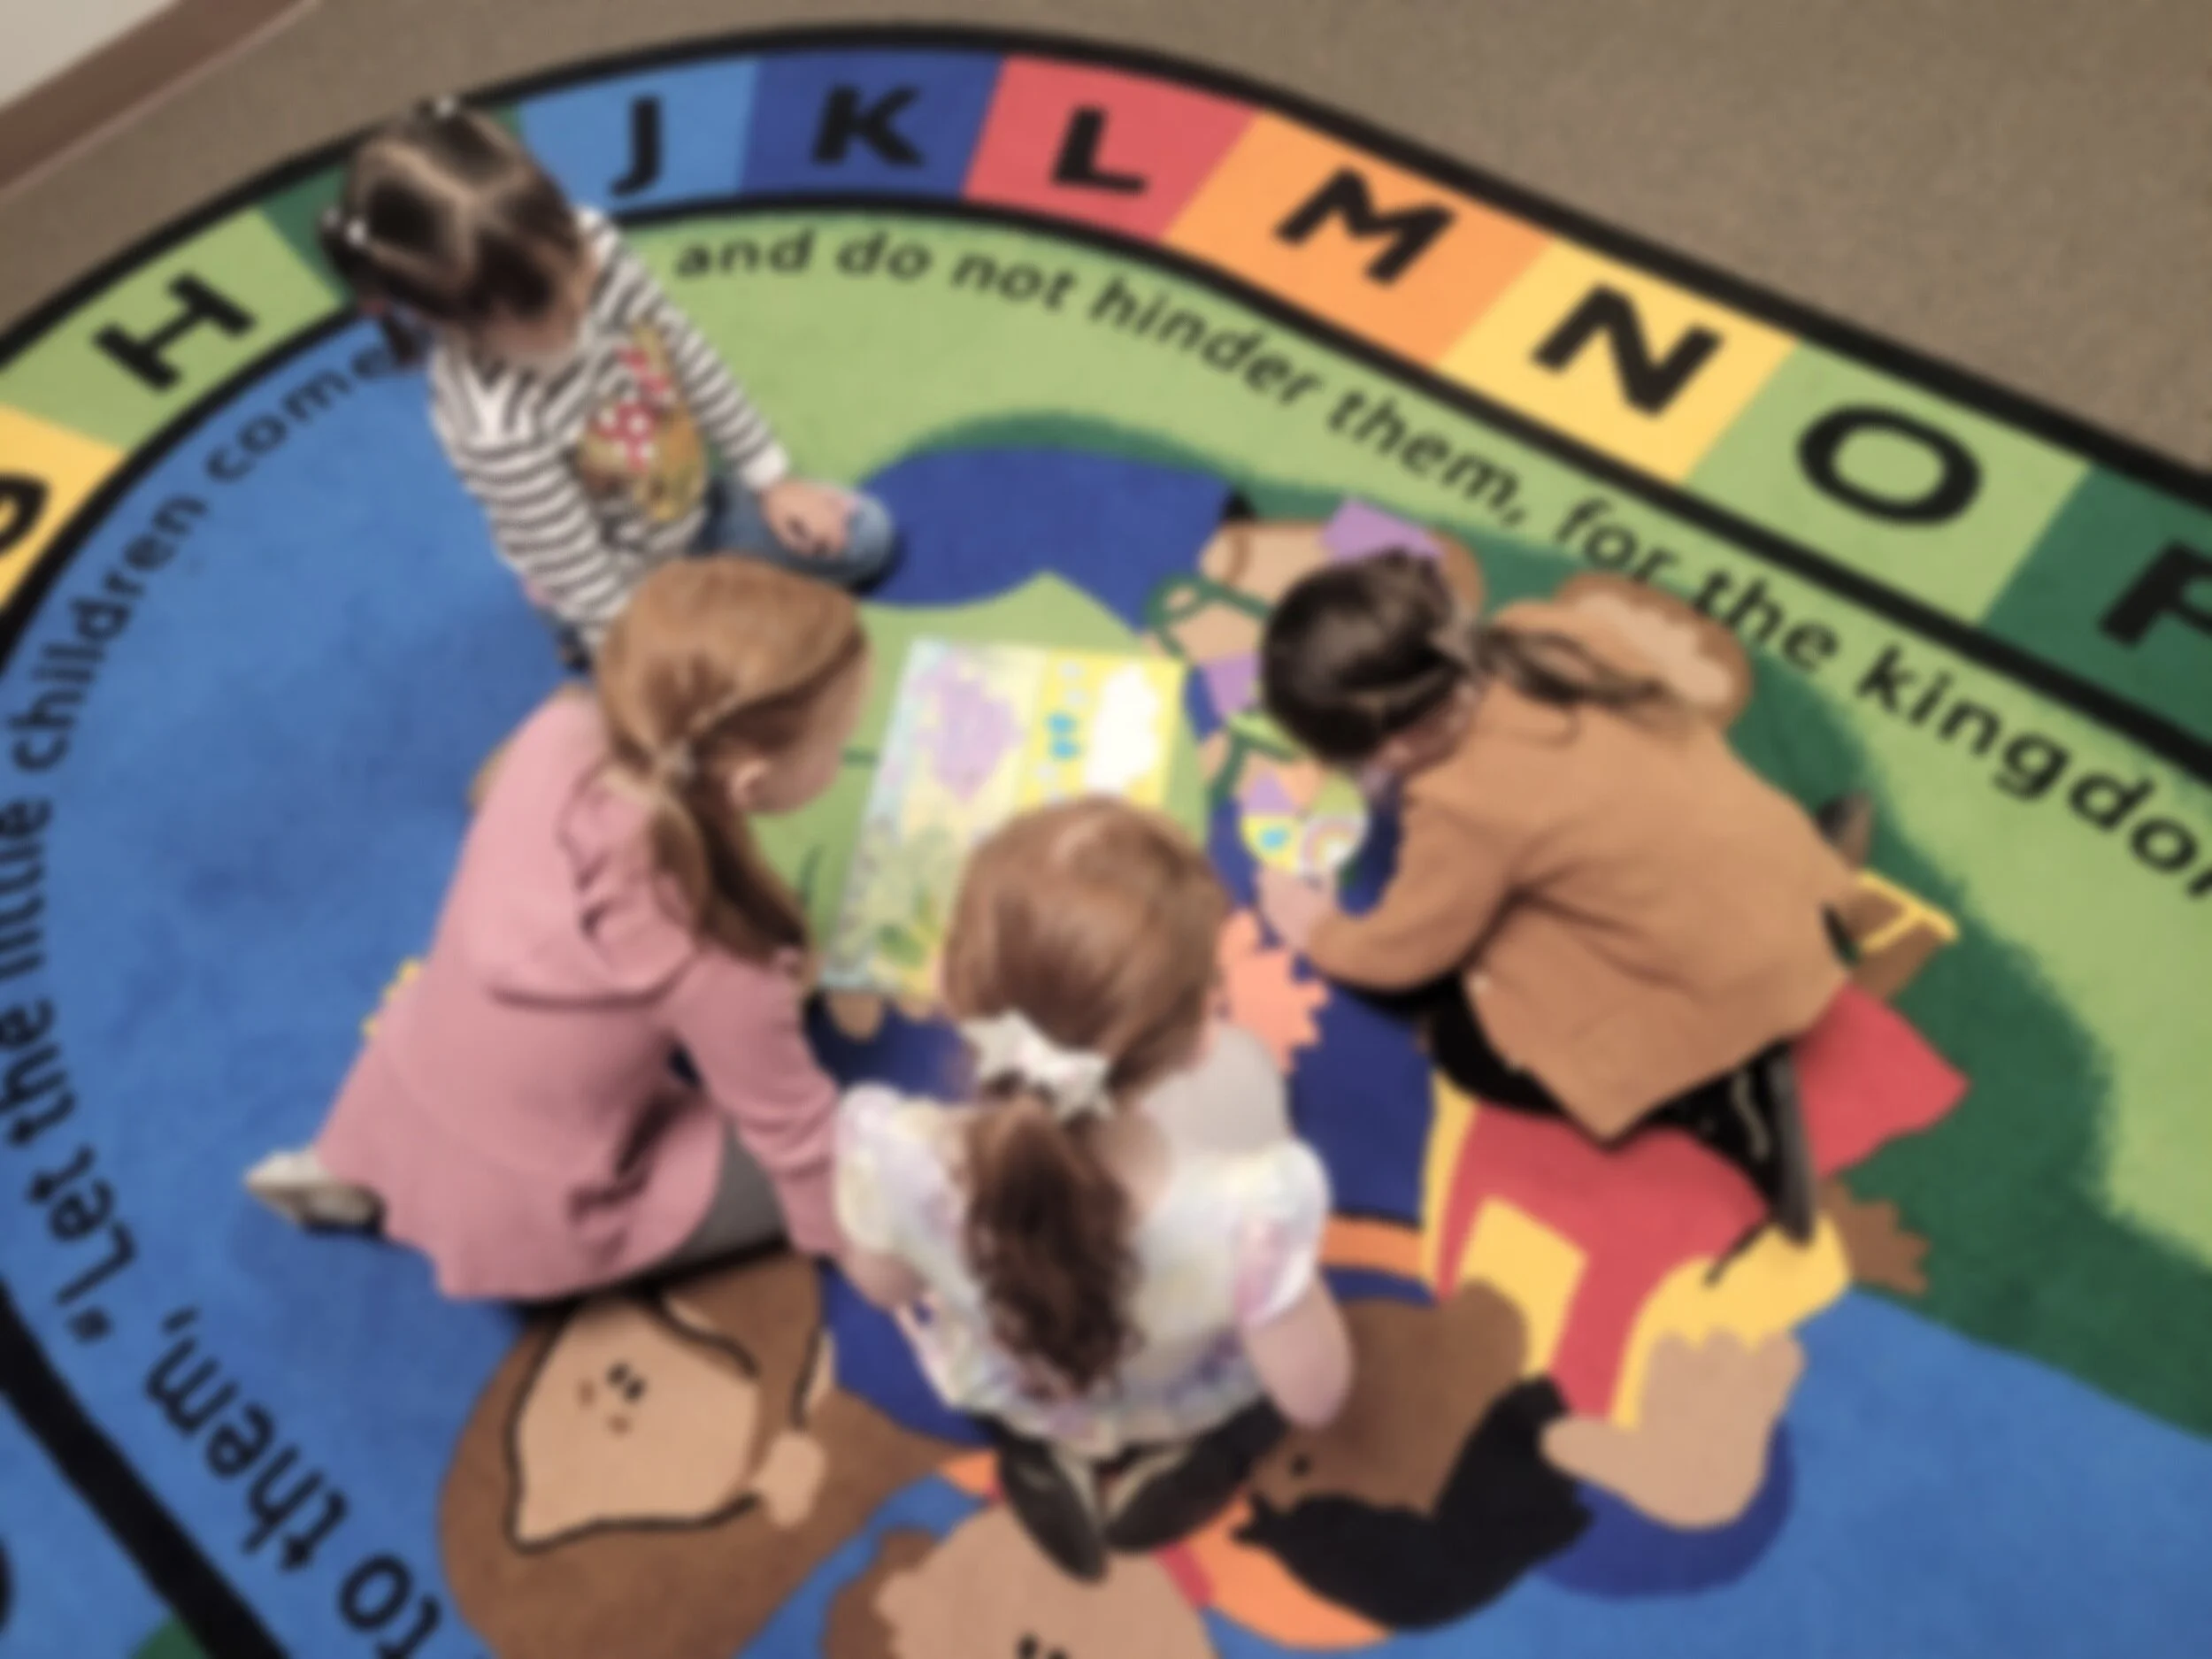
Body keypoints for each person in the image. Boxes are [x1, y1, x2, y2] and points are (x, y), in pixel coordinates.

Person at [244, 559, 868, 1298]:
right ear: (751, 784)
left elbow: (488, 790)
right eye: (836, 742)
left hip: (394, 1095)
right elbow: (798, 1143)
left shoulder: (554, 733)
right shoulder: (716, 964)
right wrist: (856, 1234)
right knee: (859, 1147)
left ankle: (352, 1167)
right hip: (539, 1211)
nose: (842, 752)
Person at [1256, 551, 1857, 1240]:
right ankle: (1808, 894)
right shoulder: (1547, 628)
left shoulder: (1461, 804)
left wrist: (1319, 930)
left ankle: (1715, 1096)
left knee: (1469, 1045)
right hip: (1785, 875)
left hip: (1732, 986)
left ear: (1397, 742)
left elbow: (1407, 949)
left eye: (1349, 758)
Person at [836, 800, 1352, 1581]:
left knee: (1028, 1402)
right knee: (1251, 1083)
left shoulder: (894, 1152)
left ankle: (1041, 1454)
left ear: (946, 984)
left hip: (1025, 1383)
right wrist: (1275, 1279)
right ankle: (1194, 1459)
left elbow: (883, 1286)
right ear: (1201, 1033)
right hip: (1175, 1387)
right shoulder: (1251, 1212)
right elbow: (1315, 1395)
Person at [317, 96, 896, 664]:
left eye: (570, 256)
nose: (579, 296)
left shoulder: (596, 248)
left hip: (694, 509)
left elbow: (688, 356)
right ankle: (582, 635)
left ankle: (703, 594)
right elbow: (580, 572)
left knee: (865, 537)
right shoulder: (495, 425)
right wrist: (635, 654)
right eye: (538, 304)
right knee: (712, 677)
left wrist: (772, 482)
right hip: (612, 586)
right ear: (444, 321)